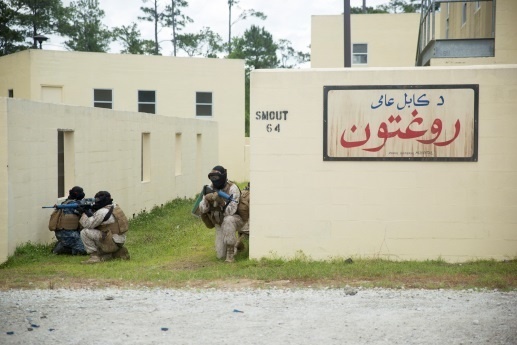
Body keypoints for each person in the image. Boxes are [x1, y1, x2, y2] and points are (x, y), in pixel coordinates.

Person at [198, 165, 244, 263]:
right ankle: (237, 244)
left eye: (216, 177)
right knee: (220, 255)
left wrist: (221, 202)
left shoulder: (232, 188)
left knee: (228, 220)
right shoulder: (209, 187)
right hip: (219, 223)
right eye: (212, 177)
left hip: (236, 220)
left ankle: (230, 255)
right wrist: (206, 199)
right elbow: (202, 209)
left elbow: (231, 211)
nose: (214, 180)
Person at [79, 191, 130, 264]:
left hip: (111, 241)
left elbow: (87, 224)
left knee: (84, 232)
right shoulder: (115, 206)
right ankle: (116, 253)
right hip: (120, 240)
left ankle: (94, 257)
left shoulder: (102, 212)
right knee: (101, 233)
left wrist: (84, 213)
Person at [49, 186, 88, 255]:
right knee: (83, 250)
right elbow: (85, 214)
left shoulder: (65, 203)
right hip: (68, 233)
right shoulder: (72, 205)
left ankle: (64, 244)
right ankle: (62, 248)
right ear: (76, 193)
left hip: (64, 232)